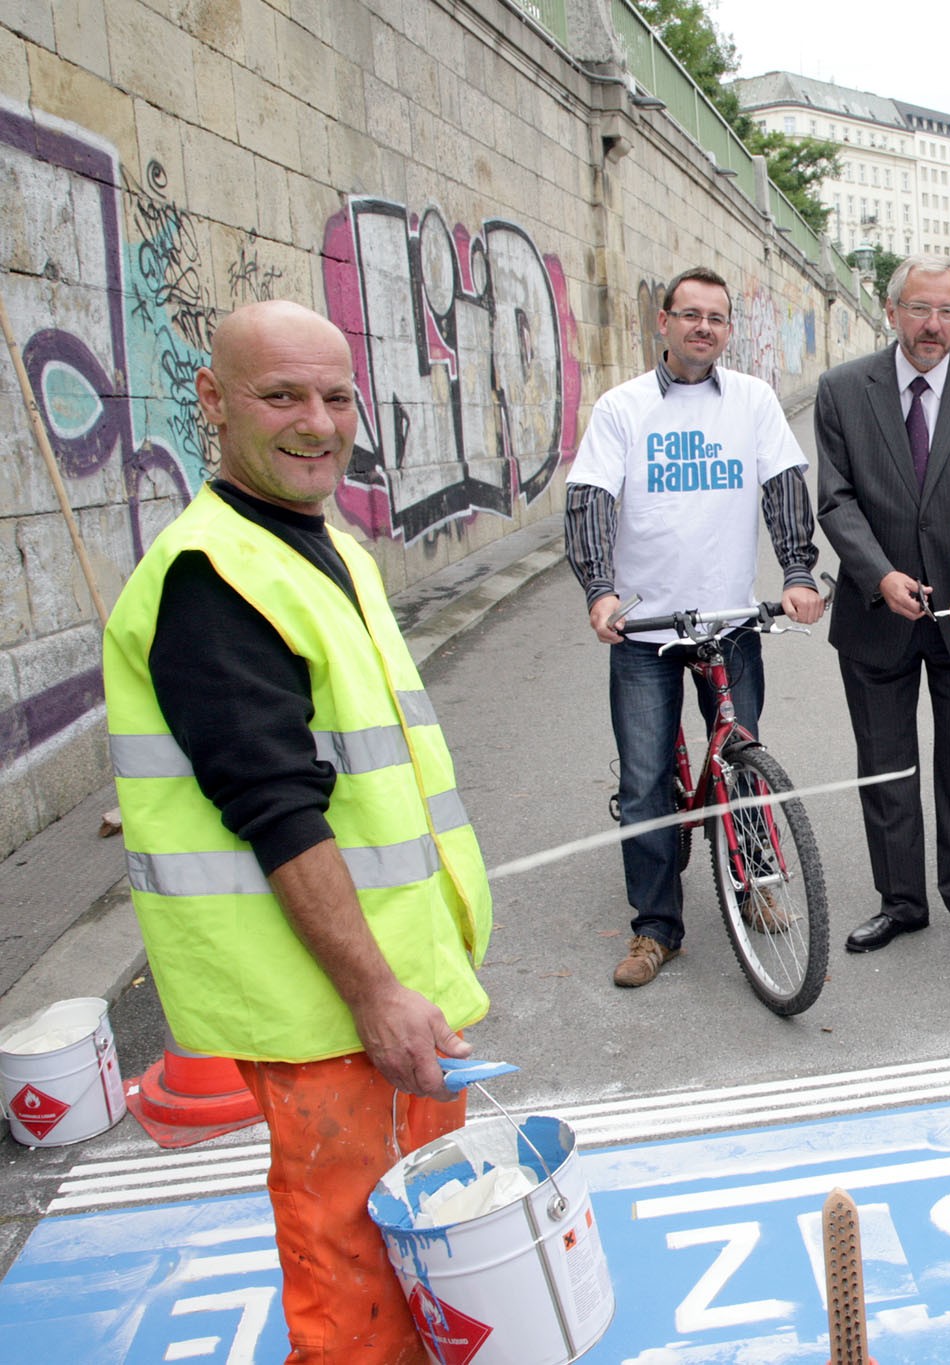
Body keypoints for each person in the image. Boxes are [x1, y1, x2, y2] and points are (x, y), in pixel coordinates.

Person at [103, 300, 490, 1361]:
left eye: (335, 397)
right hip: (330, 1003)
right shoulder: (214, 576)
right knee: (356, 1279)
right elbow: (275, 808)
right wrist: (375, 994)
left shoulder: (322, 545)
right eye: (283, 396)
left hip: (392, 979)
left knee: (425, 1254)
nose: (318, 423)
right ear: (213, 403)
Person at [566, 266, 824, 988]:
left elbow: (783, 490)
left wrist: (798, 572)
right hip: (644, 627)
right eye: (690, 314)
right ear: (664, 321)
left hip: (729, 620)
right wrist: (600, 591)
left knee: (742, 757)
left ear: (726, 327)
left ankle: (756, 881)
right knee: (648, 779)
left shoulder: (752, 401)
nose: (703, 327)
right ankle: (656, 928)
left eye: (716, 316)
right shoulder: (623, 408)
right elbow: (588, 499)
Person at [814, 255, 950, 962]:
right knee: (887, 765)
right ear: (891, 309)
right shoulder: (842, 389)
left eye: (946, 311)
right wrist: (878, 576)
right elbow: (836, 499)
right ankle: (901, 901)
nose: (932, 325)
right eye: (919, 309)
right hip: (877, 613)